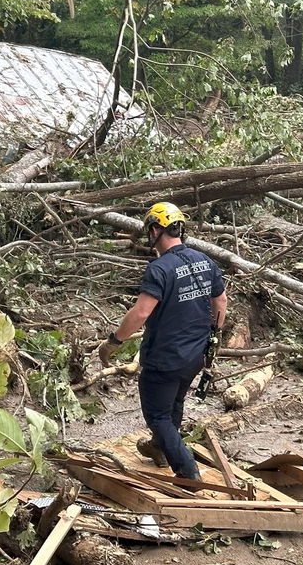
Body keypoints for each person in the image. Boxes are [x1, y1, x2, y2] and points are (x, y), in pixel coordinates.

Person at [97, 202, 227, 480]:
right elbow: (221, 301)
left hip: (165, 357)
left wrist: (113, 343)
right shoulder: (205, 261)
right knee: (174, 402)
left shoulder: (159, 268)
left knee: (157, 415)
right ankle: (159, 448)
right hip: (195, 354)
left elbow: (141, 312)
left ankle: (187, 470)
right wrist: (214, 339)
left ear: (155, 230)